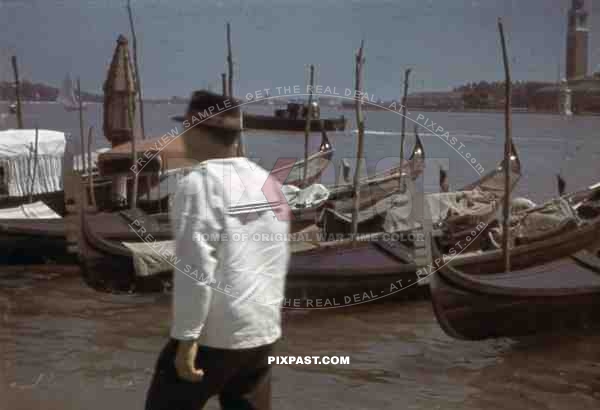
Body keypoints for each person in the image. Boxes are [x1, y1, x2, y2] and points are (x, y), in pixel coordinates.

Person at [145, 90, 290, 410]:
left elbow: (195, 268)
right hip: (262, 332)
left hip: (217, 335)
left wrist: (186, 339)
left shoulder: (198, 184)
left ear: (194, 132)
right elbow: (276, 259)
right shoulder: (269, 182)